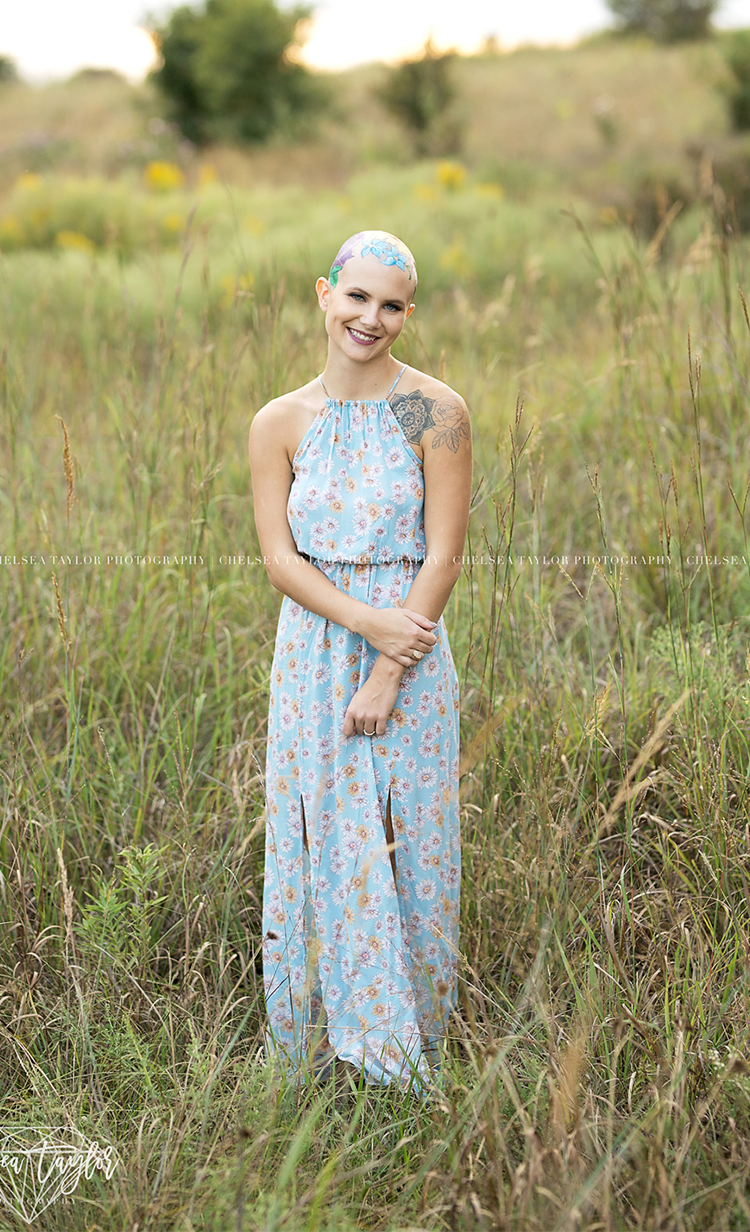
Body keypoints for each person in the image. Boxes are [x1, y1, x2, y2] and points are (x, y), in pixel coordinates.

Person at [249, 230, 472, 1090]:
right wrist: (361, 628)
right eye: (356, 297)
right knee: (317, 834)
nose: (369, 318)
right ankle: (312, 1043)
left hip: (410, 649)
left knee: (406, 836)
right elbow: (280, 557)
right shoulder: (283, 420)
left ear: (408, 313)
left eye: (391, 305)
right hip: (312, 650)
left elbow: (443, 554)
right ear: (323, 294)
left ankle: (404, 1049)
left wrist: (389, 662)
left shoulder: (428, 409)